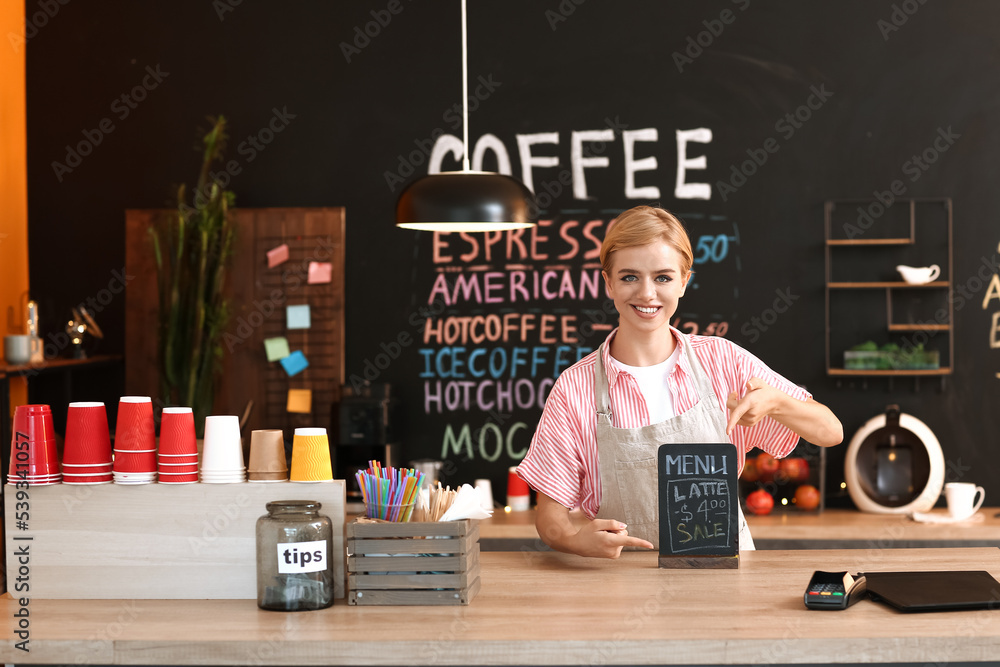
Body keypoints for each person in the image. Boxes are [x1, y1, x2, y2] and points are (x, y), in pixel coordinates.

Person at [516, 205, 843, 559]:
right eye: (629, 277)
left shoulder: (722, 361)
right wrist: (574, 540)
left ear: (684, 281)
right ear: (607, 282)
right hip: (624, 586)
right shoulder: (574, 389)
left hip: (725, 573)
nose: (646, 293)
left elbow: (830, 432)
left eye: (663, 277)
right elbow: (549, 518)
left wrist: (778, 403)